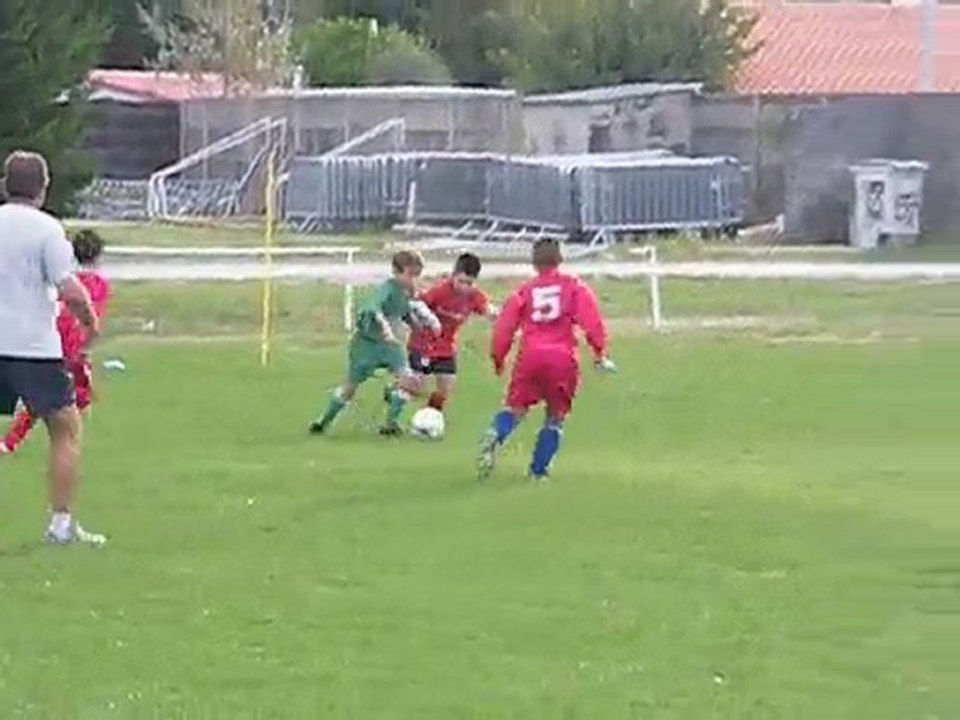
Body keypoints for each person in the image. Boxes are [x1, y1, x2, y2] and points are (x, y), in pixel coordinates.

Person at [0, 150, 105, 545]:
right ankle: (60, 526)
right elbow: (69, 288)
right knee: (65, 429)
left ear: (5, 185)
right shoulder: (47, 230)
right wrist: (90, 321)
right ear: (43, 189)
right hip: (31, 346)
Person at [477, 237, 616, 481]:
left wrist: (498, 357)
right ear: (560, 260)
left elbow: (504, 328)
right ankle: (538, 472)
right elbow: (592, 321)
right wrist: (599, 351)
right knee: (555, 415)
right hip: (562, 359)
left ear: (533, 263)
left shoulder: (524, 291)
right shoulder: (573, 286)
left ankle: (495, 434)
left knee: (516, 409)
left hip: (530, 357)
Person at [2, 230, 111, 454]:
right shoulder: (99, 284)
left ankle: (15, 440)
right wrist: (86, 346)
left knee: (64, 394)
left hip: (51, 339)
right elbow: (91, 316)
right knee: (70, 396)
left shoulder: (63, 280)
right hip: (72, 345)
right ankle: (64, 441)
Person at [309, 250, 434, 436]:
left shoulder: (407, 293)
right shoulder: (386, 288)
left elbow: (404, 312)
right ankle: (323, 422)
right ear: (396, 271)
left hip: (391, 347)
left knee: (408, 381)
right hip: (366, 346)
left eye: (416, 275)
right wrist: (385, 327)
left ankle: (390, 425)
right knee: (349, 388)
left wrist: (419, 327)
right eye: (410, 275)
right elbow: (373, 309)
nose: (413, 280)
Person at [391, 253, 498, 415]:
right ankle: (395, 396)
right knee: (417, 385)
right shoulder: (440, 291)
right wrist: (420, 320)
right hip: (423, 345)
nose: (463, 286)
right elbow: (416, 305)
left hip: (446, 347)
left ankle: (431, 417)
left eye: (468, 283)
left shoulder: (474, 296)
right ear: (453, 275)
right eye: (460, 281)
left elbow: (486, 308)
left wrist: (493, 314)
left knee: (445, 386)